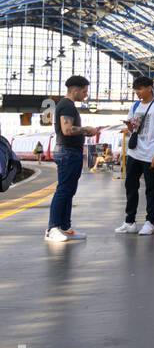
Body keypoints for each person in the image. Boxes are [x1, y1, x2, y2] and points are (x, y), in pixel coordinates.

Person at [45, 75, 103, 243]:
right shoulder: (67, 106)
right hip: (68, 152)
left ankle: (64, 227)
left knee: (69, 191)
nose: (86, 95)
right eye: (84, 91)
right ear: (75, 90)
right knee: (64, 190)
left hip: (71, 152)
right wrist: (87, 130)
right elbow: (67, 130)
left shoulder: (67, 106)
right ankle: (52, 228)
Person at [115, 75, 154, 237]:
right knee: (130, 186)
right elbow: (132, 130)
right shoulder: (136, 105)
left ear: (149, 88)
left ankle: (149, 222)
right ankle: (130, 221)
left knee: (151, 189)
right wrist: (130, 127)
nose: (137, 93)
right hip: (134, 152)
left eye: (139, 89)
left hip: (150, 154)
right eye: (135, 90)